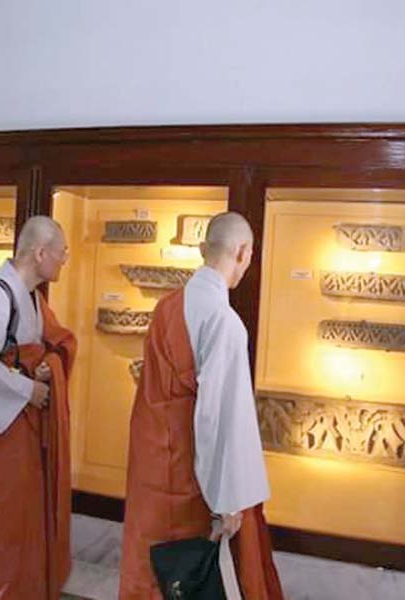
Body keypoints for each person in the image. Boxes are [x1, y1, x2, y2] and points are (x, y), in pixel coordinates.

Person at [119, 212, 283, 599]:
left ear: (203, 249)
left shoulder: (168, 306)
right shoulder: (223, 321)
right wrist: (227, 501)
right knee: (191, 576)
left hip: (155, 462)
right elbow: (217, 418)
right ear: (244, 252)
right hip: (193, 473)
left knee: (154, 567)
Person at [0, 215, 77, 600]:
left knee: (24, 520)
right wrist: (27, 388)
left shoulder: (32, 298)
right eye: (61, 252)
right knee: (2, 522)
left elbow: (31, 351)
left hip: (22, 427)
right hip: (1, 429)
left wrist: (41, 367)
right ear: (40, 252)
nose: (64, 259)